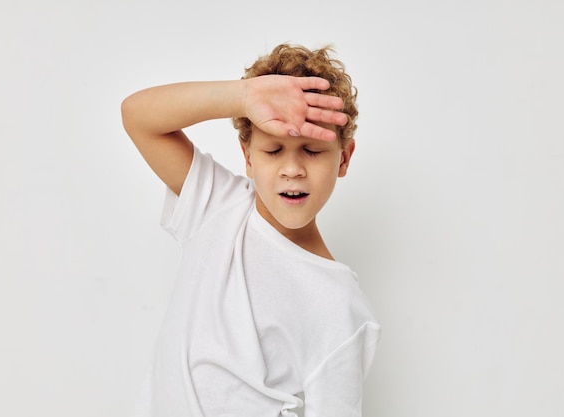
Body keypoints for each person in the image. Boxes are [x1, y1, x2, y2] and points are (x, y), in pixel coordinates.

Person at [121, 43, 381, 417]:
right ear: (247, 156)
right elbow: (136, 116)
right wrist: (243, 97)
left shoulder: (340, 305)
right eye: (273, 151)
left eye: (311, 150)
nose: (292, 169)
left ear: (343, 158)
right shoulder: (217, 205)